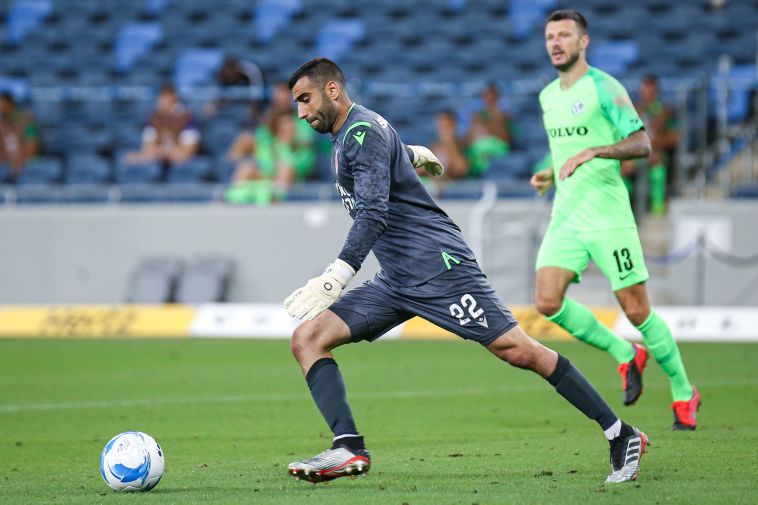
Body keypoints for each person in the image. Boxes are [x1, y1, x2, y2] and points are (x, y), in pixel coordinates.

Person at [283, 57, 647, 486]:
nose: (301, 112)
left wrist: (338, 274)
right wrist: (410, 155)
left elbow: (372, 213)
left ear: (332, 90)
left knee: (519, 351)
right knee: (308, 339)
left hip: (439, 268)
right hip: (397, 278)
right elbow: (380, 159)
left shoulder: (361, 132)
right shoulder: (353, 132)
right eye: (297, 103)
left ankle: (620, 433)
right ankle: (348, 446)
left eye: (305, 99)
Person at [530, 10, 699, 431]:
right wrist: (551, 173)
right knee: (547, 301)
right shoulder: (548, 96)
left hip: (608, 215)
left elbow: (642, 143)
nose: (556, 43)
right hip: (567, 214)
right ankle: (626, 353)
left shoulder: (605, 87)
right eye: (550, 36)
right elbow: (567, 149)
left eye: (564, 35)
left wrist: (595, 152)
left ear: (583, 42)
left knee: (637, 310)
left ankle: (684, 392)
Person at [620, 75, 680, 216]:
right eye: (644, 91)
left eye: (651, 91)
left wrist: (655, 142)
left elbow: (675, 138)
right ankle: (625, 210)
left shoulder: (665, 111)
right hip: (633, 154)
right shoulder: (633, 110)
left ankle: (657, 209)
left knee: (657, 168)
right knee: (620, 172)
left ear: (656, 92)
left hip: (655, 154)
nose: (647, 95)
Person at [125, 84, 200, 167]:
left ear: (174, 98)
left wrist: (161, 152)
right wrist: (162, 153)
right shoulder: (154, 117)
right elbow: (147, 147)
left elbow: (187, 151)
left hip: (178, 161)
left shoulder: (187, 118)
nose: (163, 101)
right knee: (130, 158)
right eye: (162, 97)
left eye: (167, 97)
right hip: (160, 157)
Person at [464, 83, 513, 176]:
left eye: (493, 97)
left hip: (498, 151)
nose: (490, 100)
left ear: (498, 97)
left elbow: (507, 139)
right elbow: (470, 139)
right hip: (478, 152)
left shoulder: (505, 117)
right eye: (487, 96)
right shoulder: (476, 117)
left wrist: (489, 124)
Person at [0, 91, 40, 180]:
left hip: (27, 166)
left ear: (9, 103)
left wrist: (18, 158)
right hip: (6, 165)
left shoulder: (29, 123)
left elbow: (32, 148)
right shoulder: (1, 125)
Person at [426, 109, 469, 179]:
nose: (442, 130)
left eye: (446, 126)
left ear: (453, 126)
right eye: (441, 126)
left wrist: (450, 144)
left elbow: (462, 170)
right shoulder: (435, 146)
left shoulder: (462, 145)